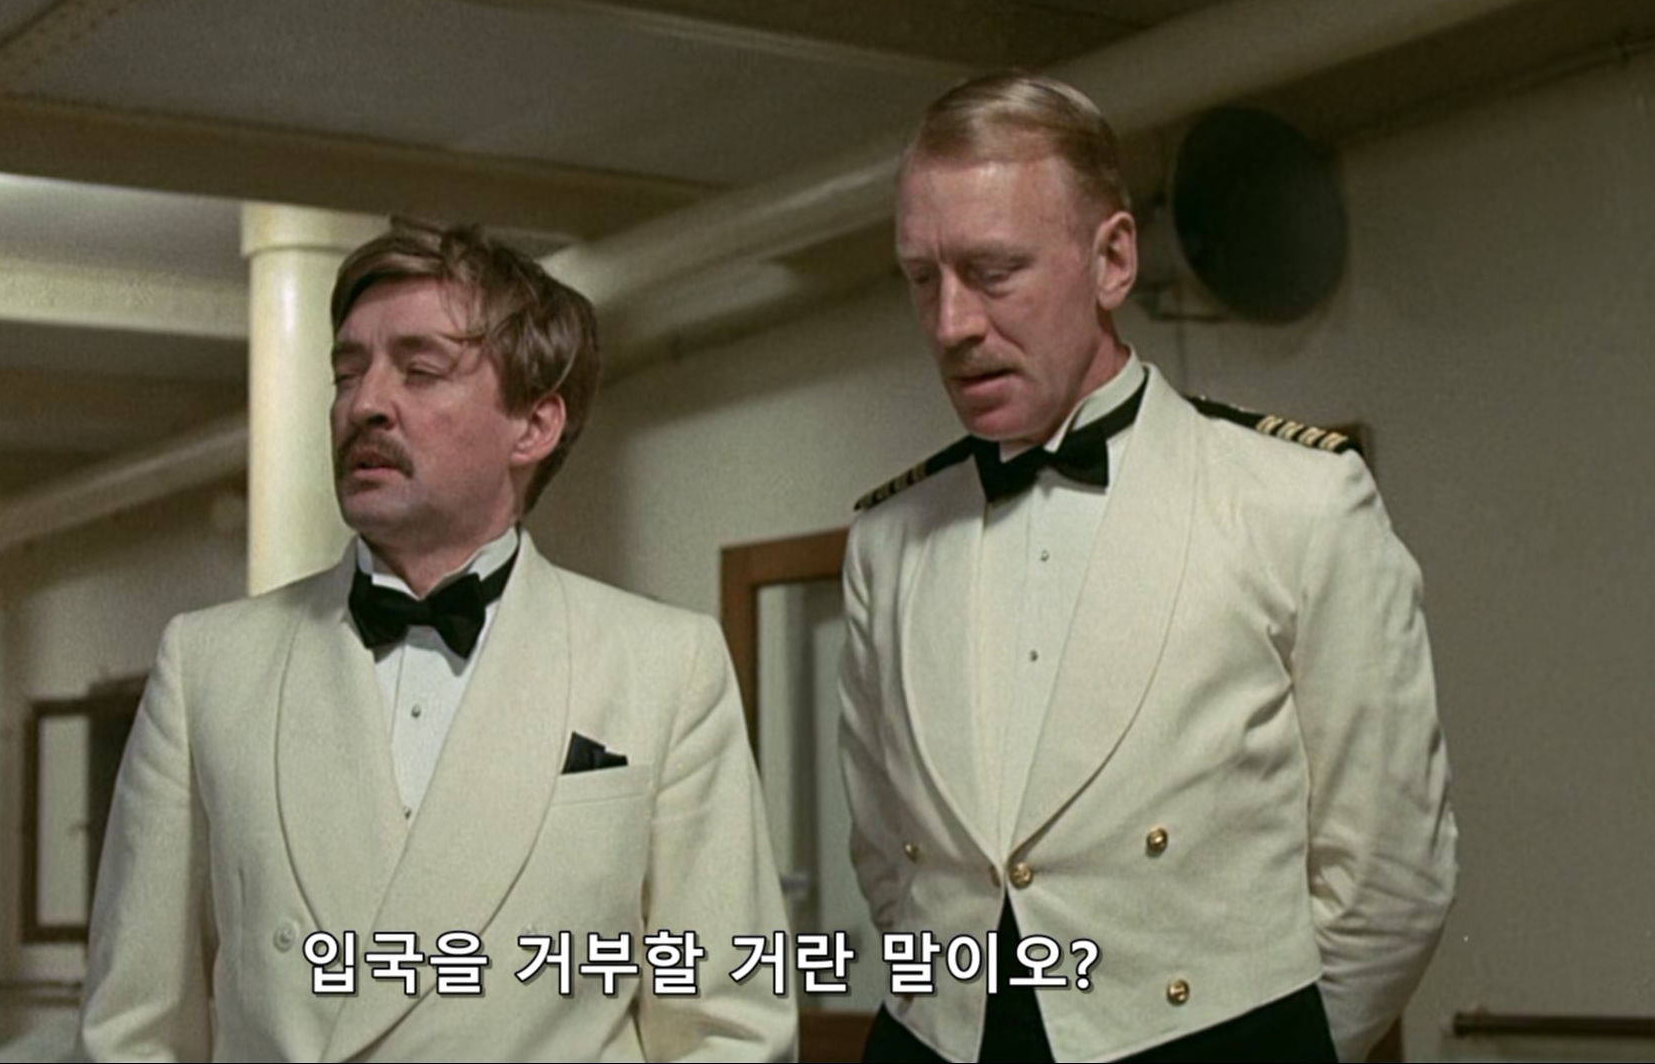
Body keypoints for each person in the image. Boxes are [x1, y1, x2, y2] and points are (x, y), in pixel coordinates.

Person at [838, 72, 1457, 1063]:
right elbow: (887, 860)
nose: (951, 323)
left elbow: (1390, 878)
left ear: (1113, 260)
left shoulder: (1295, 498)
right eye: (923, 278)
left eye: (993, 271)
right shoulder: (885, 538)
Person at [79, 219, 796, 1061]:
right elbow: (134, 1029)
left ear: (534, 425)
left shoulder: (665, 665)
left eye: (420, 370)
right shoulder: (208, 666)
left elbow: (730, 1026)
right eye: (348, 372)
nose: (365, 404)